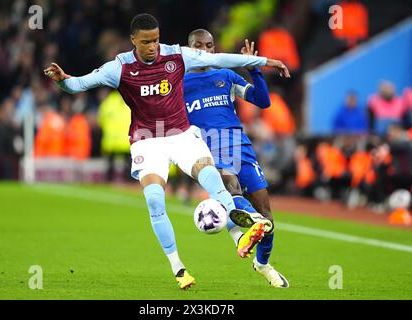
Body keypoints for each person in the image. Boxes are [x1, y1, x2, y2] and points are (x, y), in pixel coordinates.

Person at [44, 13, 289, 290]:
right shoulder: (120, 67)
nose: (153, 47)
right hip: (147, 140)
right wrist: (62, 79)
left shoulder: (176, 56)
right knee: (155, 201)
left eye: (156, 40)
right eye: (146, 42)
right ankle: (178, 268)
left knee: (211, 177)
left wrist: (262, 62)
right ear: (134, 40)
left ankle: (239, 239)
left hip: (181, 134)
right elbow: (79, 84)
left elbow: (217, 59)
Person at [183, 29, 289, 288]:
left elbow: (262, 101)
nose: (204, 51)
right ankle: (251, 225)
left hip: (240, 145)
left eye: (209, 45)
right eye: (198, 46)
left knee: (267, 213)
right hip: (208, 148)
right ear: (189, 50)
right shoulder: (179, 84)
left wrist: (253, 68)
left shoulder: (226, 75)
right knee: (230, 187)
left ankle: (263, 264)